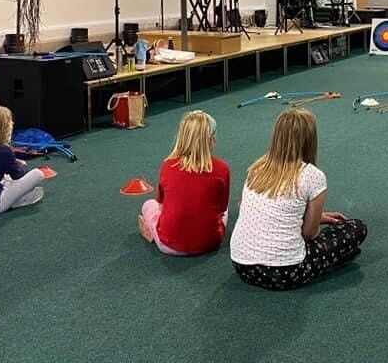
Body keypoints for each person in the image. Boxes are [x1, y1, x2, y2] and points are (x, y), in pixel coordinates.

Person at [229, 108, 367, 290]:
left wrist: (316, 217)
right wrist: (314, 221)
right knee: (356, 228)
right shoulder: (312, 175)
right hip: (284, 272)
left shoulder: (257, 168)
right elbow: (309, 234)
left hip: (242, 265)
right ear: (310, 139)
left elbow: (272, 211)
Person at [138, 110, 230, 256]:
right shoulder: (222, 168)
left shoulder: (167, 166)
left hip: (168, 245)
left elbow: (162, 205)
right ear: (211, 140)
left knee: (148, 205)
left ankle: (153, 231)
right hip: (210, 243)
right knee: (225, 213)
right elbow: (221, 208)